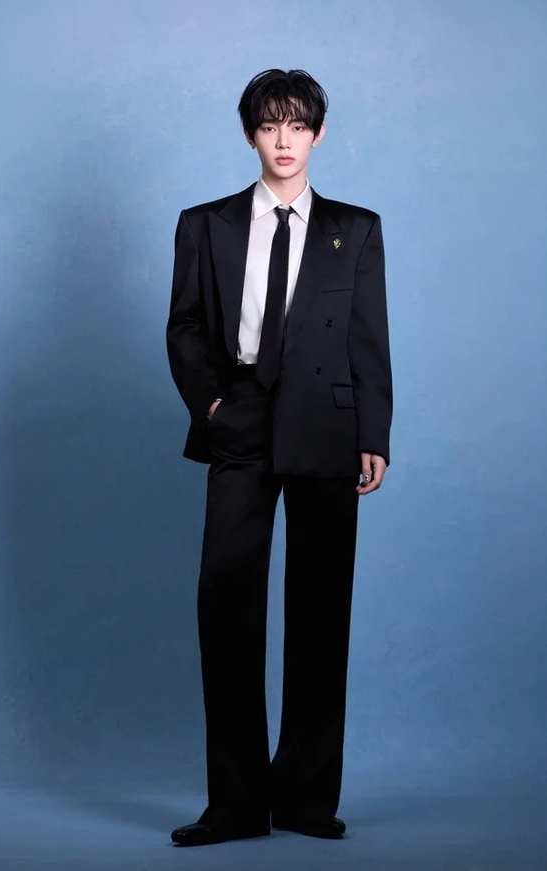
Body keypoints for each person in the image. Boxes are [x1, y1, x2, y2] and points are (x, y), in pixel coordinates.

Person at [166, 68, 392, 847]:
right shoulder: (206, 224)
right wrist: (211, 404)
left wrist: (374, 433)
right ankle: (235, 804)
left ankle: (303, 797)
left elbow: (368, 337)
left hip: (328, 425)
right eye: (270, 125)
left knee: (321, 611)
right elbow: (185, 326)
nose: (284, 140)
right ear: (250, 134)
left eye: (298, 125)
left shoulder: (357, 229)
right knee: (226, 605)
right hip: (241, 419)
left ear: (318, 134)